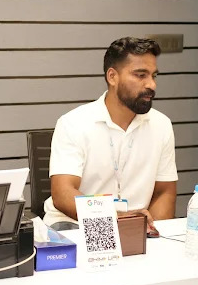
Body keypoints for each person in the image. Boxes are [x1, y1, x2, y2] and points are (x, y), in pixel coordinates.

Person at [43, 37, 178, 232]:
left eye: (154, 76)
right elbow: (63, 194)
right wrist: (115, 220)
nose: (151, 85)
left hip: (133, 228)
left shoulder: (161, 125)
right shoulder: (73, 123)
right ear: (112, 77)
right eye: (141, 75)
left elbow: (164, 192)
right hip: (76, 224)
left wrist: (151, 231)